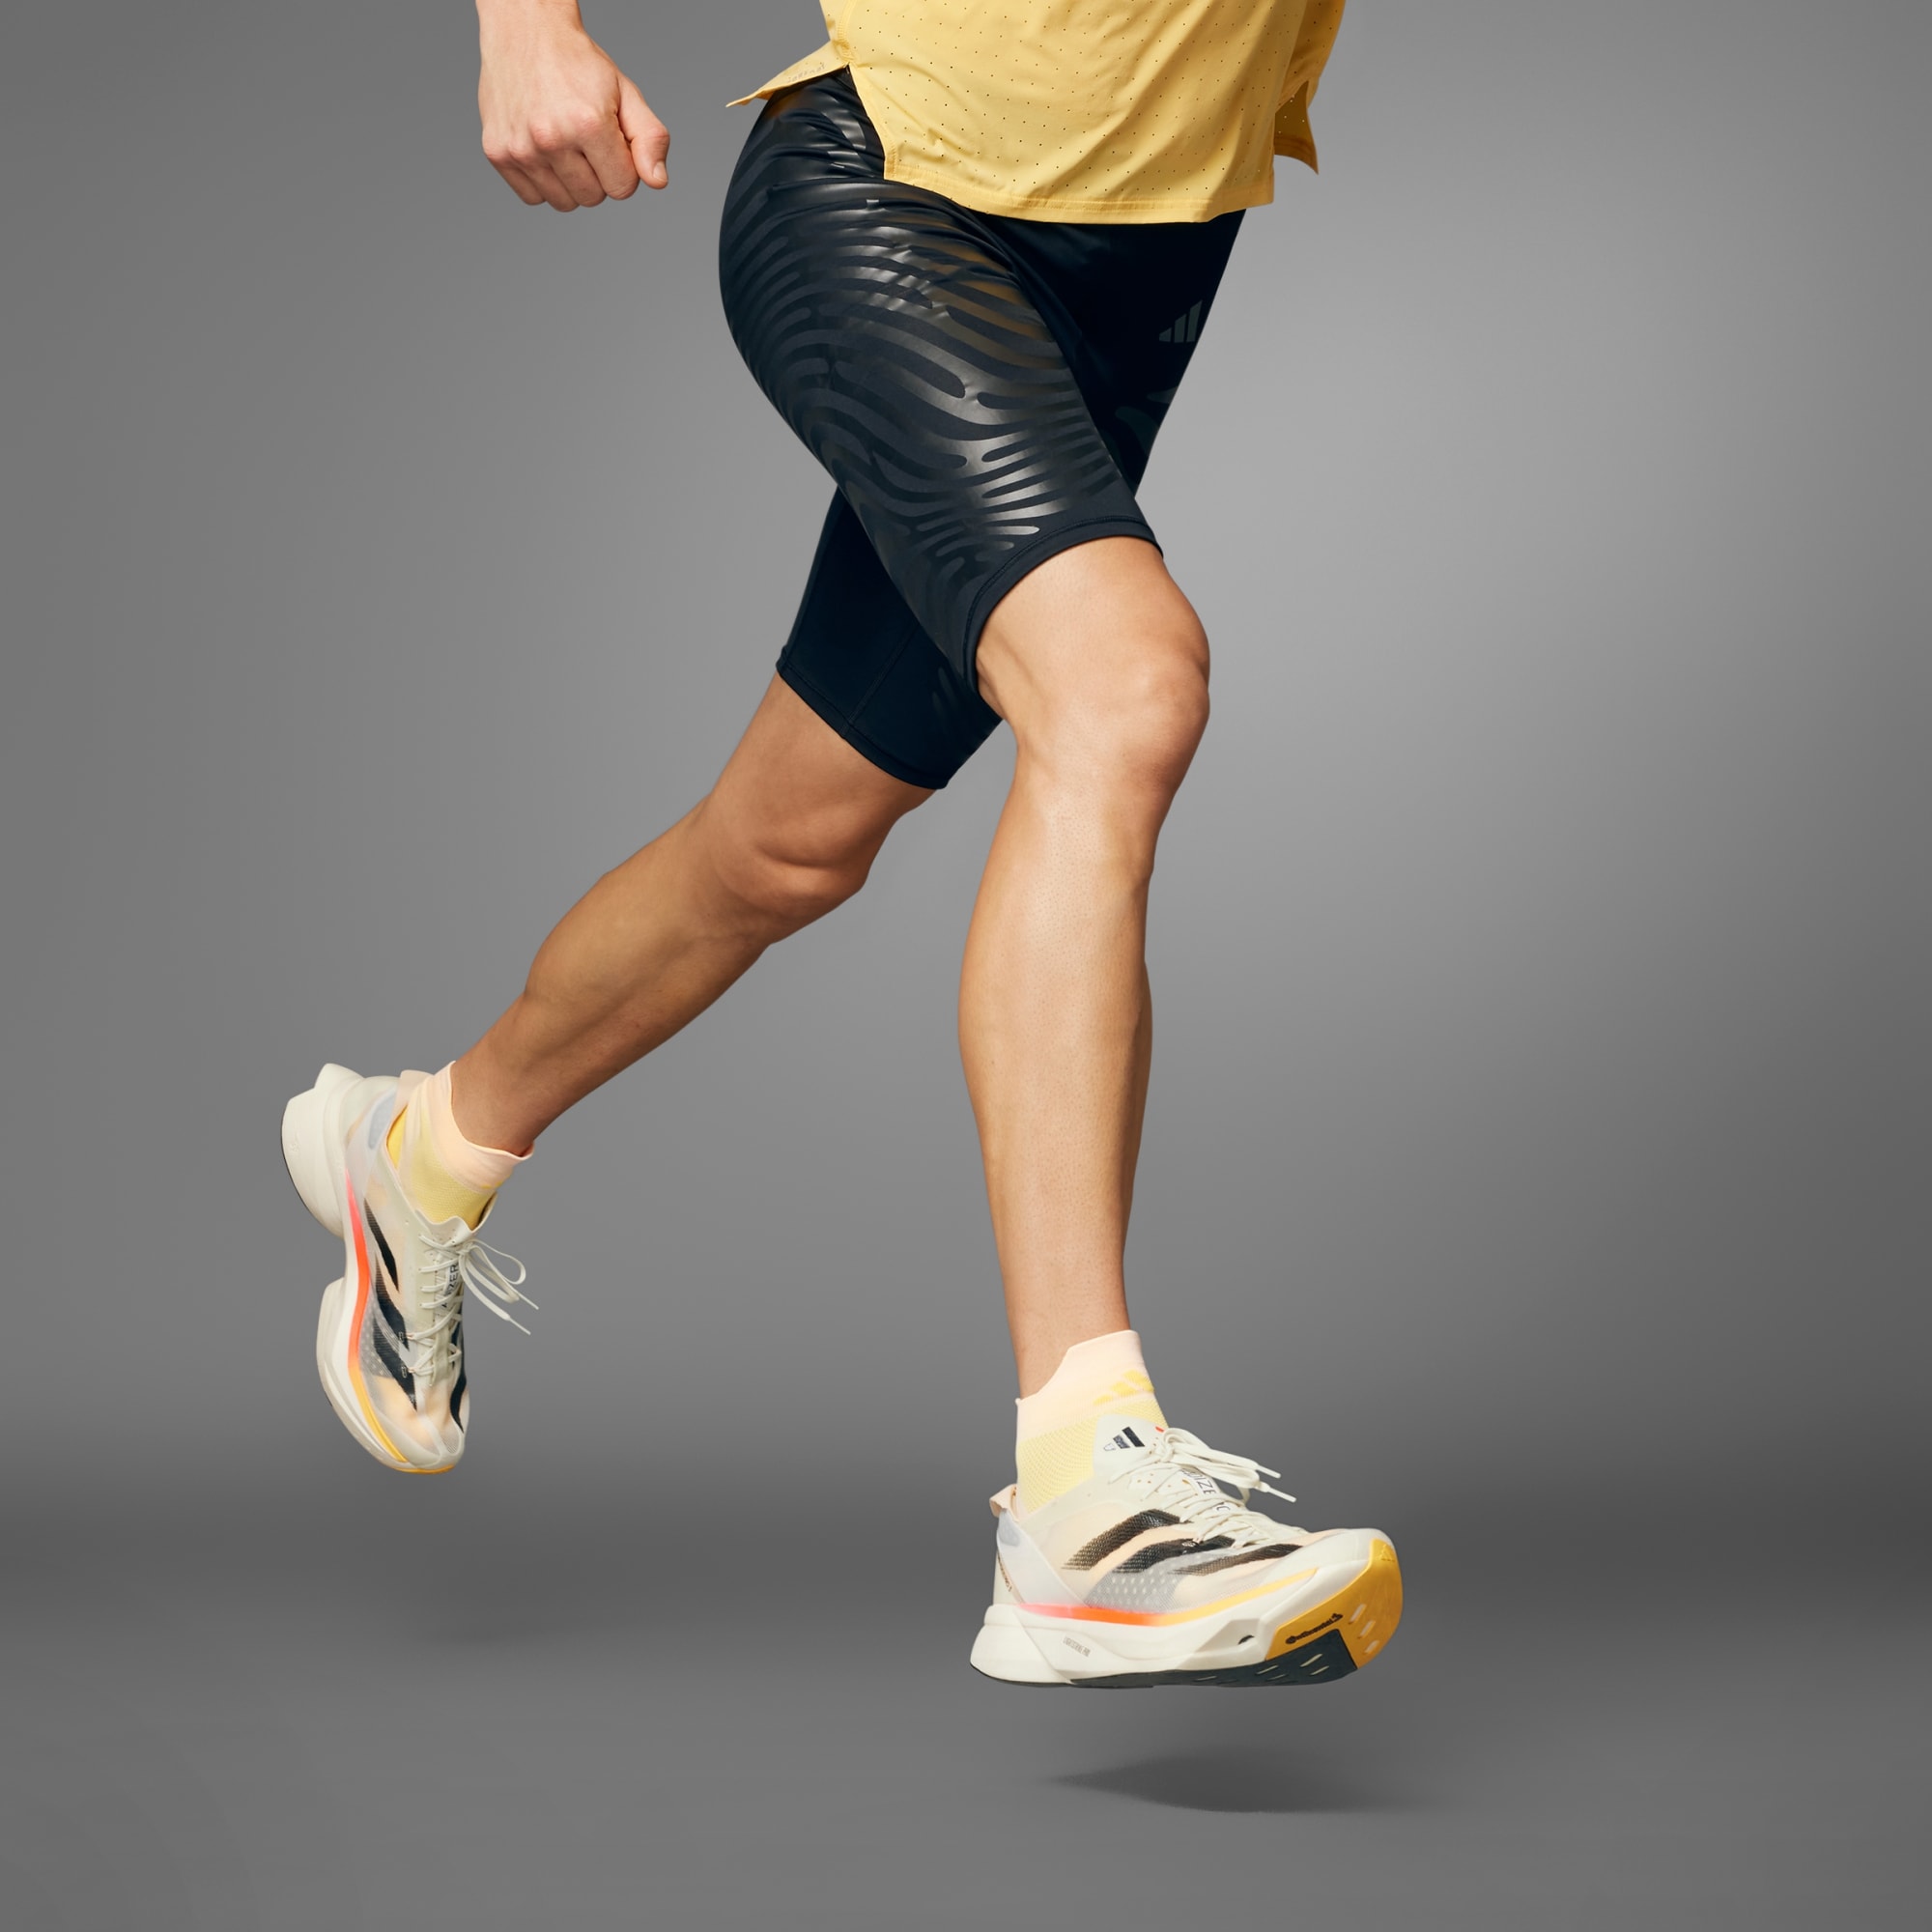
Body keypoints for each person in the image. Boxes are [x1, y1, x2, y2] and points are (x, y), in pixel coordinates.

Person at [281, 0, 1402, 1688]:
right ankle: (1085, 1497)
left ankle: (423, 1150)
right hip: (892, 194)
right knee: (1122, 689)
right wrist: (525, 27)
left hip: (1133, 280)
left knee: (786, 847)